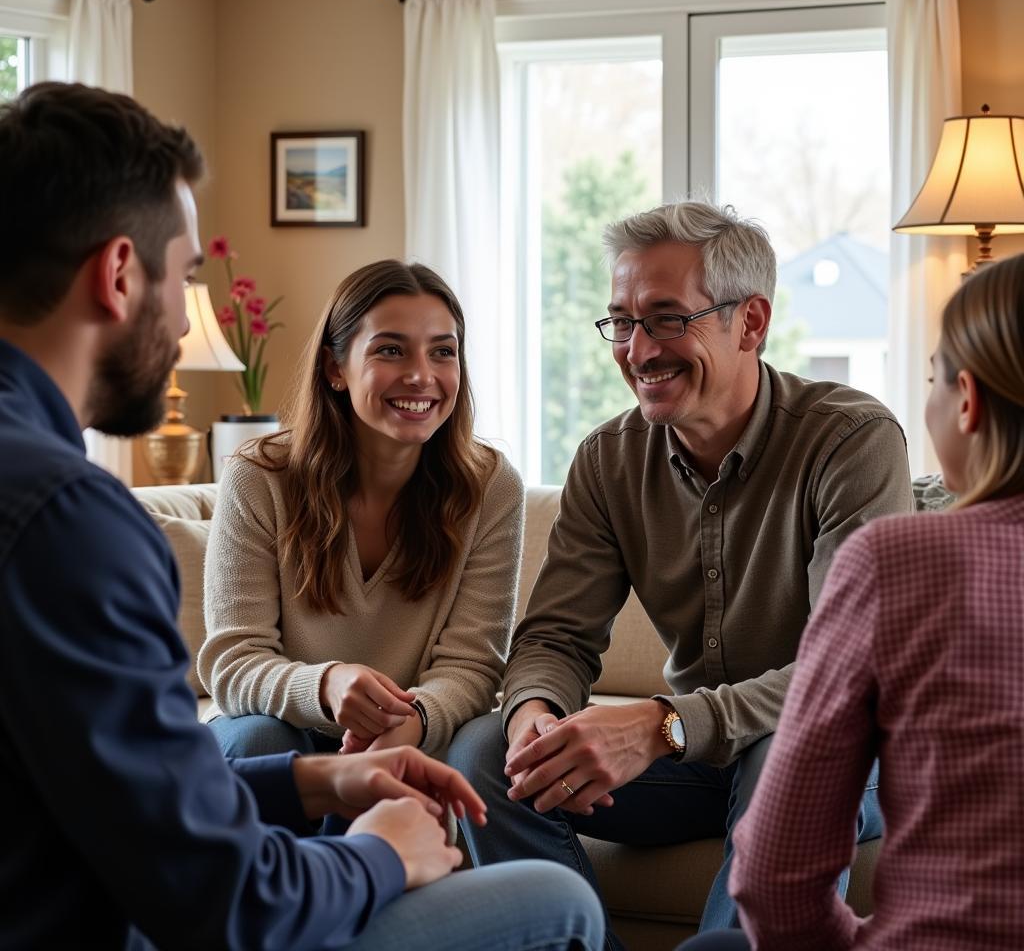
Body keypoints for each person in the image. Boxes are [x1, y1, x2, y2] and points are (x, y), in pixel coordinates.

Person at [0, 81, 604, 951]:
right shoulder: (72, 521)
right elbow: (230, 900)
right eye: (185, 281)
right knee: (560, 902)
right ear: (121, 274)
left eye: (443, 353)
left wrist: (319, 780)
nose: (180, 326)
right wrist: (381, 856)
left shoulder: (49, 504)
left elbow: (130, 797)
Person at [449, 200, 914, 947]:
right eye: (621, 321)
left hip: (834, 749)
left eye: (666, 318)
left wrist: (665, 725)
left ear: (750, 323)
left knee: (787, 749)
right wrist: (535, 716)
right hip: (696, 760)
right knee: (482, 752)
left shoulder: (851, 441)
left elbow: (845, 676)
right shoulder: (608, 459)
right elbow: (554, 640)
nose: (637, 350)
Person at [681, 255, 1024, 951]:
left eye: (930, 379)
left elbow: (776, 877)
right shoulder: (613, 456)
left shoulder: (898, 563)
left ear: (967, 400)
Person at [198, 260, 522, 763]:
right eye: (390, 350)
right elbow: (234, 663)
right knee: (260, 740)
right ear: (335, 369)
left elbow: (472, 667)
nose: (421, 376)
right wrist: (325, 685)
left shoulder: (491, 488)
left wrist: (412, 724)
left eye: (443, 352)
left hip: (411, 733)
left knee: (480, 746)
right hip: (283, 731)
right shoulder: (259, 477)